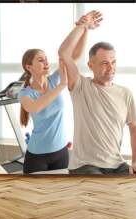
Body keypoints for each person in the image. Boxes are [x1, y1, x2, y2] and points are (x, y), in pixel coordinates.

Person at [58, 10, 136, 175]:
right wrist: (82, 25)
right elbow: (64, 53)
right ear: (91, 65)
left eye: (113, 62)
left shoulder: (125, 93)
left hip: (116, 164)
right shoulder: (80, 86)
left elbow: (135, 128)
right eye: (105, 63)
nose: (111, 67)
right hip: (84, 166)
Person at [17, 14, 91, 174]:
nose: (46, 62)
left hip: (61, 152)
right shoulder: (25, 93)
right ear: (29, 67)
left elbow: (75, 56)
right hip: (37, 157)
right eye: (40, 60)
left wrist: (85, 28)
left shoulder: (54, 80)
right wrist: (62, 85)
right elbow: (35, 107)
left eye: (46, 59)